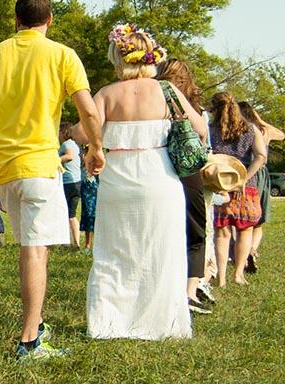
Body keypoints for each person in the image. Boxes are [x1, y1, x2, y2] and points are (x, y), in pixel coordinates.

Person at [0, 0, 104, 362]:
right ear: (50, 20)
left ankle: (36, 325)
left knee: (32, 247)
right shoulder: (62, 55)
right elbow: (89, 111)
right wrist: (96, 147)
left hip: (6, 170)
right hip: (40, 167)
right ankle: (29, 340)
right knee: (35, 250)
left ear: (16, 19)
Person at [85, 24, 202, 339]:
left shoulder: (106, 94)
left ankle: (108, 323)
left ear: (118, 58)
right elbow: (202, 128)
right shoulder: (167, 91)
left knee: (113, 253)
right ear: (152, 57)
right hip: (159, 180)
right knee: (162, 252)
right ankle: (162, 323)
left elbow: (86, 133)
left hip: (117, 183)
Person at [156, 58, 213, 310]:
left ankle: (164, 288)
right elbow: (202, 133)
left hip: (157, 171)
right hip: (188, 172)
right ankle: (189, 291)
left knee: (163, 232)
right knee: (196, 232)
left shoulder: (151, 100)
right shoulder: (192, 107)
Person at [208, 92, 266, 287]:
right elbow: (260, 156)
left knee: (221, 233)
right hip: (246, 187)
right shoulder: (250, 129)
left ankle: (222, 278)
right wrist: (243, 178)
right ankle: (238, 274)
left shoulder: (211, 130)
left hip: (220, 186)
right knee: (245, 231)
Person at [237, 101, 284, 274]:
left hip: (245, 172)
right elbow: (282, 135)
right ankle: (252, 250)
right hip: (261, 175)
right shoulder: (263, 131)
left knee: (241, 218)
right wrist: (261, 121)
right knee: (259, 220)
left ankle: (243, 252)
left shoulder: (240, 130)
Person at [58, 123, 83, 247]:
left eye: (59, 131)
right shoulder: (75, 144)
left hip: (67, 183)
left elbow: (69, 156)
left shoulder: (66, 144)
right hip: (77, 183)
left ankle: (65, 242)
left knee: (63, 213)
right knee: (72, 215)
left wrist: (56, 160)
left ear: (64, 132)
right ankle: (77, 243)